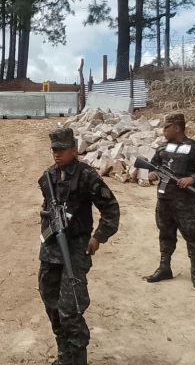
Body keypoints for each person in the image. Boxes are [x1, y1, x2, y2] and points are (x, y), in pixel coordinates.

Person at [38, 128, 119, 365]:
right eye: (54, 149)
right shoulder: (49, 176)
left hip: (75, 249)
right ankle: (65, 356)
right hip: (51, 249)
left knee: (71, 308)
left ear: (74, 150)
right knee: (51, 303)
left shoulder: (86, 176)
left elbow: (111, 208)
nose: (57, 154)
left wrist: (98, 237)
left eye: (62, 149)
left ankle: (78, 359)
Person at [145, 112, 195, 290]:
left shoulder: (194, 147)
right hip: (164, 200)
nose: (163, 131)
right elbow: (153, 166)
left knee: (192, 236)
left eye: (166, 127)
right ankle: (164, 268)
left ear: (177, 127)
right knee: (165, 234)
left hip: (185, 202)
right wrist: (152, 174)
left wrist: (193, 178)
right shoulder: (162, 148)